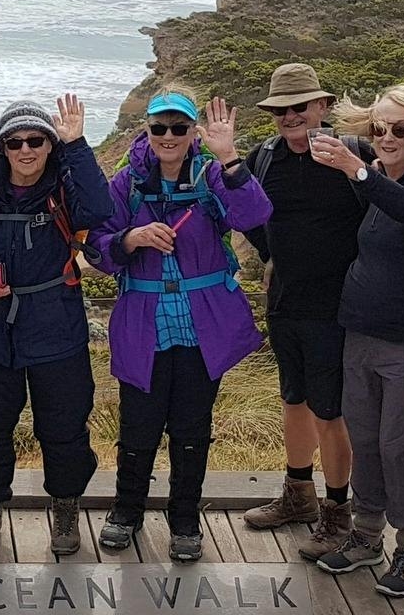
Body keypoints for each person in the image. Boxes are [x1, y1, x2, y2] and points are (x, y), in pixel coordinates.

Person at [89, 90, 272, 561]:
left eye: (178, 128)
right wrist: (132, 238)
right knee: (138, 427)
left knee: (192, 428)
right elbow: (98, 248)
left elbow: (255, 215)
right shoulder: (126, 183)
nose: (168, 136)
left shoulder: (212, 176)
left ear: (193, 133)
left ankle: (185, 518)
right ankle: (126, 511)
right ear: (147, 131)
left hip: (200, 328)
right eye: (159, 128)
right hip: (144, 327)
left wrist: (229, 156)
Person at [0, 94, 113, 559]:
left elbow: (99, 210)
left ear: (49, 144)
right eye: (15, 141)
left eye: (36, 140)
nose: (26, 149)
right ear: (2, 146)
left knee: (63, 426)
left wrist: (77, 145)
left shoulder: (66, 187)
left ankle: (65, 505)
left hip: (56, 325)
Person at [307, 86, 404, 597]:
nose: (386, 137)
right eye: (379, 128)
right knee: (364, 439)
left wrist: (356, 168)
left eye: (399, 130)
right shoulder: (374, 181)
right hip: (360, 334)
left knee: (401, 447)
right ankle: (367, 536)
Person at [240, 63, 367, 562]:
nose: (290, 117)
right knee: (293, 399)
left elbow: (390, 200)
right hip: (285, 303)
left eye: (300, 106)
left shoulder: (351, 155)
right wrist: (267, 254)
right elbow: (245, 211)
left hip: (337, 307)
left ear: (323, 107)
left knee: (330, 410)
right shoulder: (265, 157)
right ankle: (298, 494)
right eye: (281, 109)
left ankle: (338, 511)